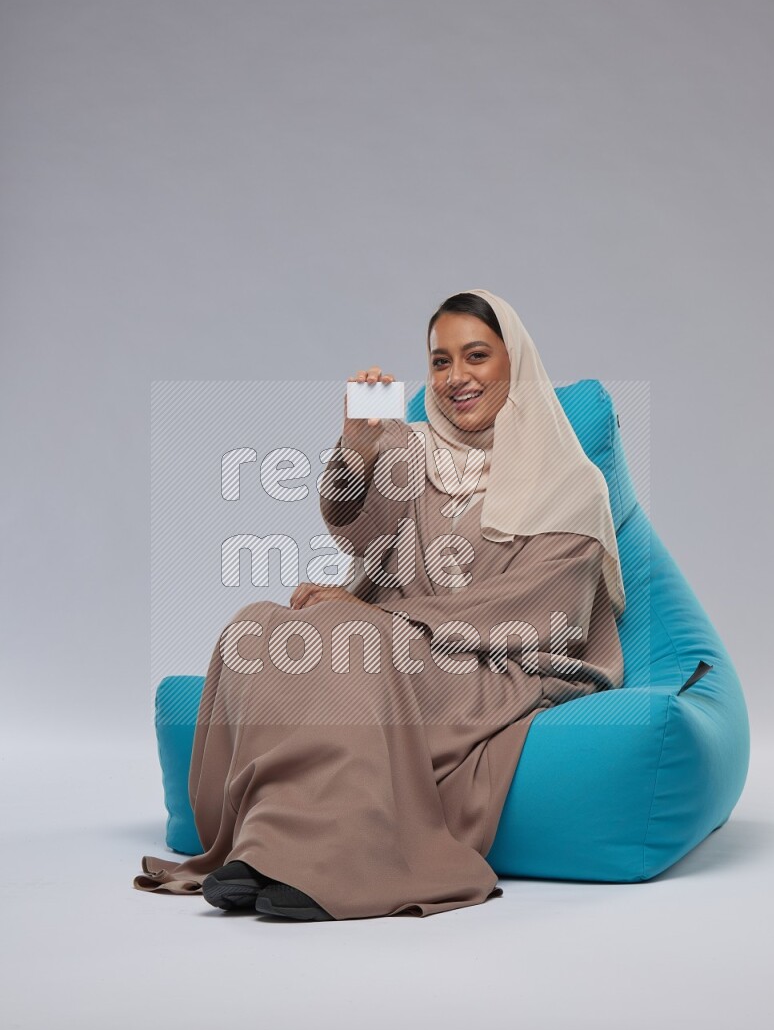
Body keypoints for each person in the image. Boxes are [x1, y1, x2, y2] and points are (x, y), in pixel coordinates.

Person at [133, 288, 625, 921]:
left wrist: (379, 618)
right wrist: (358, 447)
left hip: (496, 663)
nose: (456, 377)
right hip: (400, 644)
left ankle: (325, 869)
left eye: (476, 356)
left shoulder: (570, 480)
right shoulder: (413, 450)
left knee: (348, 637)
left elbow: (541, 609)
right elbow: (361, 533)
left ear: (516, 362)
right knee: (256, 627)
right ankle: (266, 849)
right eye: (440, 362)